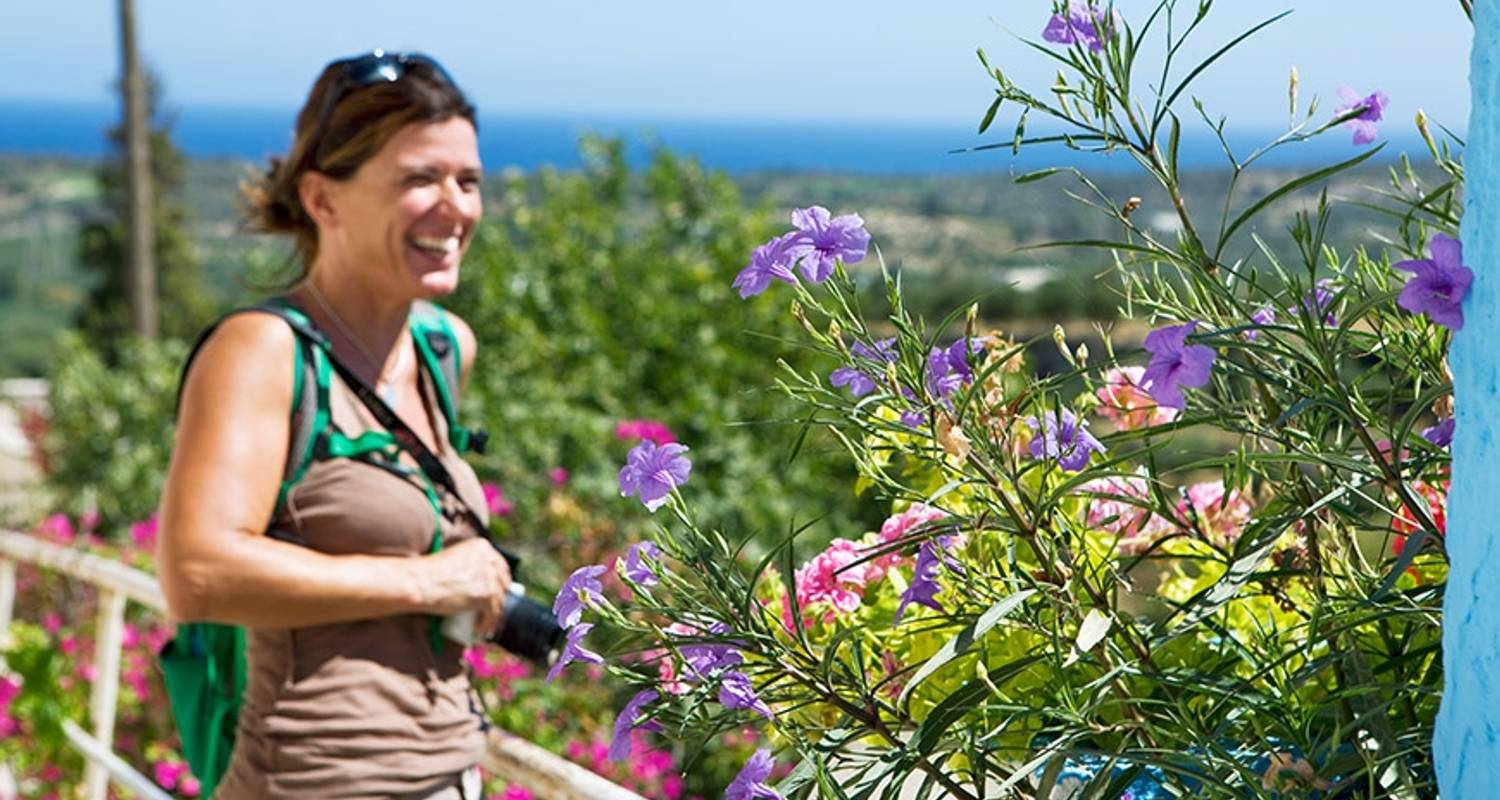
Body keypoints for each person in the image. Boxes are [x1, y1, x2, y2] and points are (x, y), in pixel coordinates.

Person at [157, 51, 510, 798]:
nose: (456, 208)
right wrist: (427, 580)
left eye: (469, 181)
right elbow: (199, 575)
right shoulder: (263, 352)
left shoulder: (445, 348)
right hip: (313, 780)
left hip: (449, 771)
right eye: (420, 179)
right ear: (323, 198)